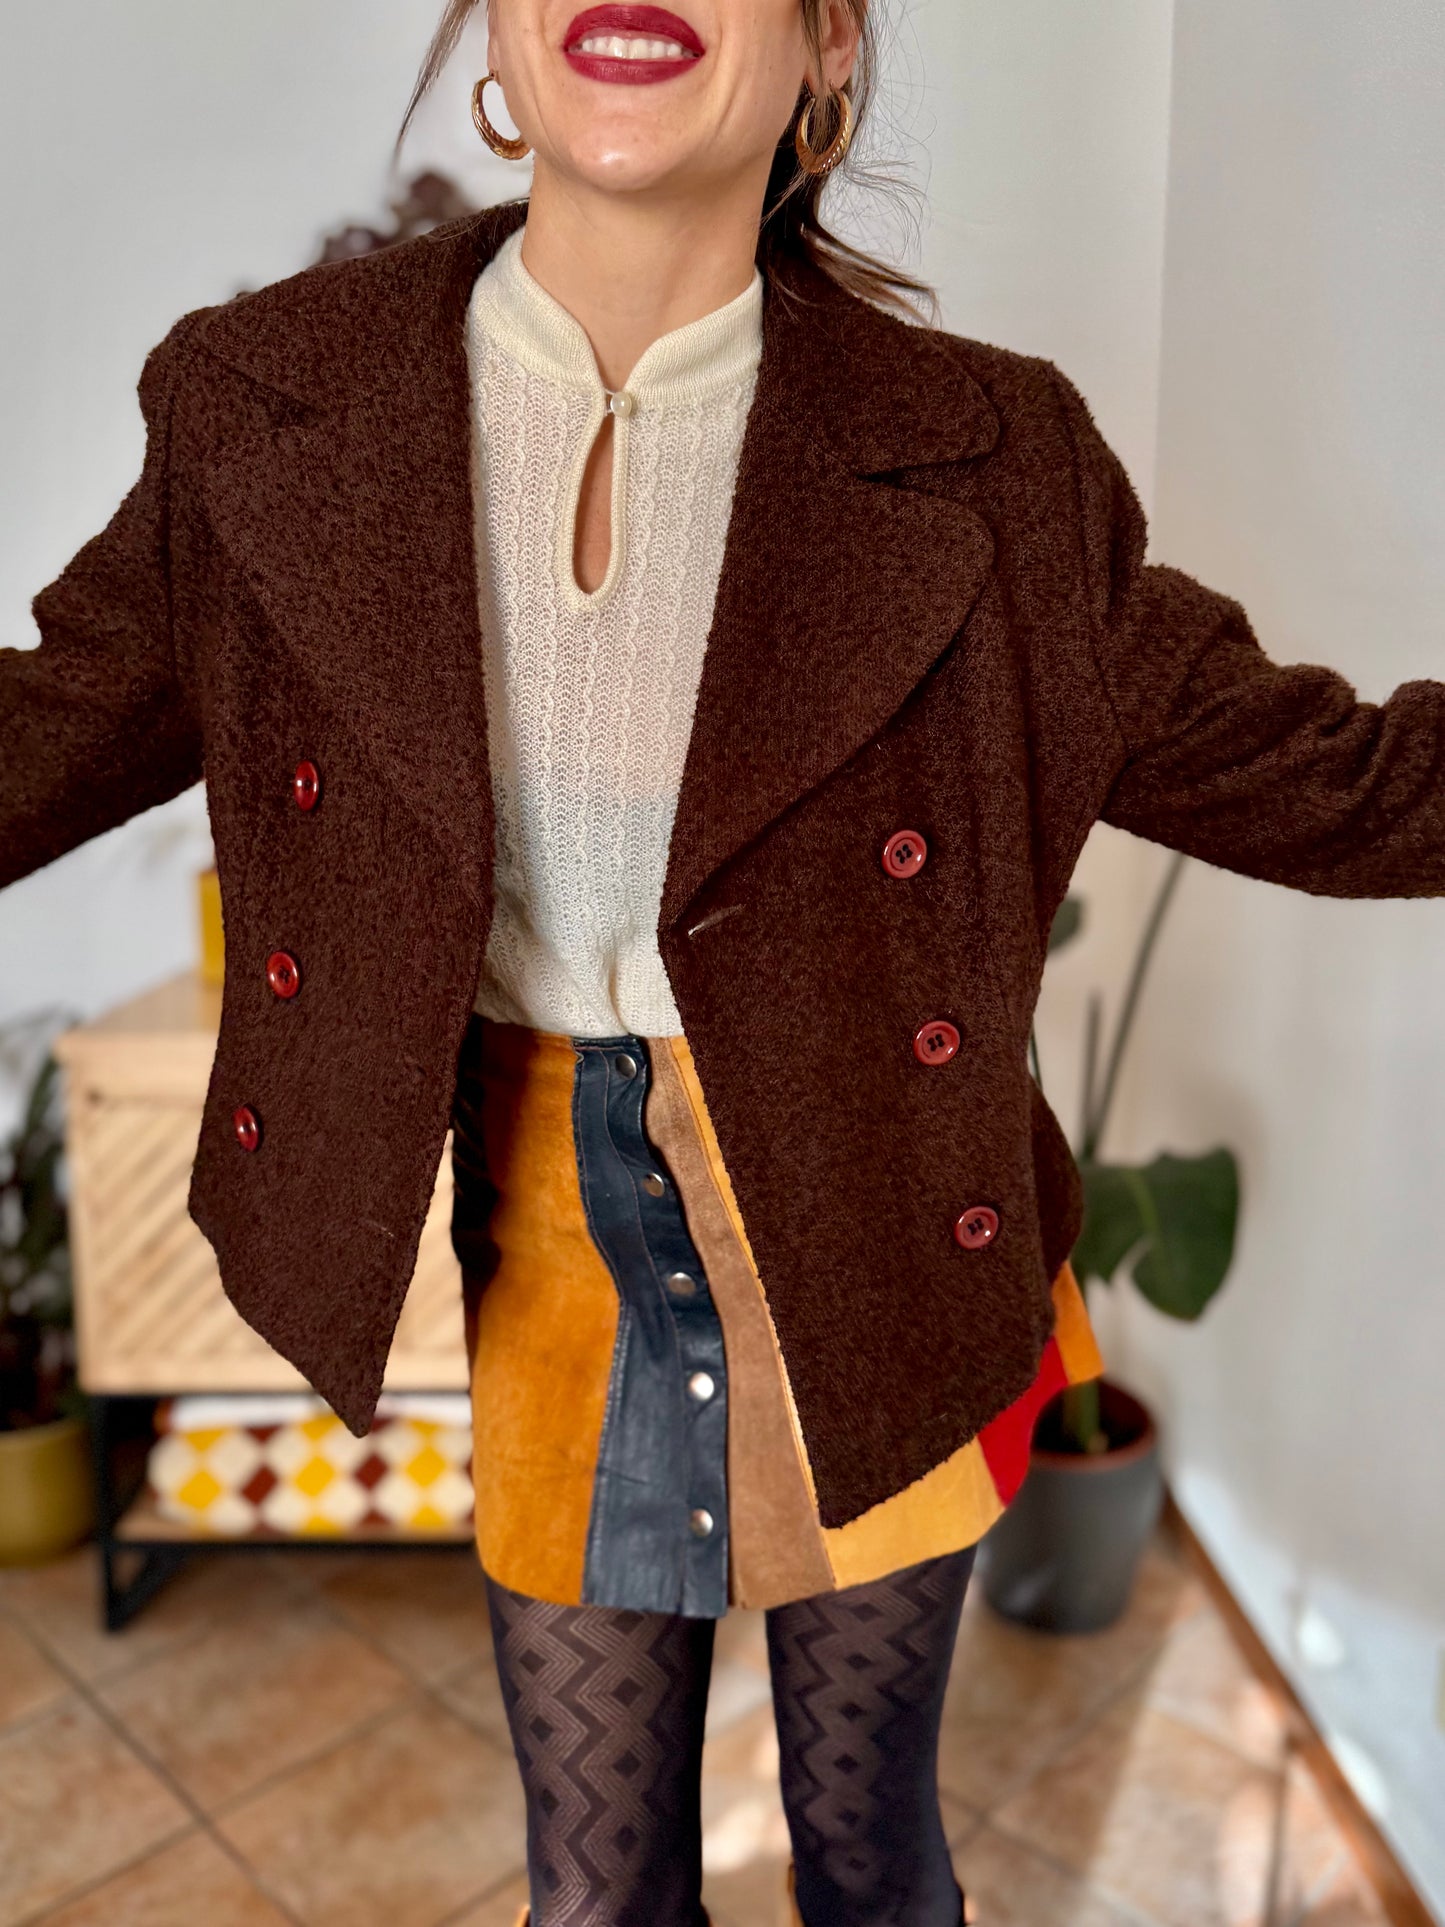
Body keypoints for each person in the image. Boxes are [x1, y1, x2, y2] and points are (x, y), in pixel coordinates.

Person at [4, 2, 1444, 1923]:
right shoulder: (266, 406)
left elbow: (1343, 780)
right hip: (548, 1244)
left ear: (828, 44)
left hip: (872, 1225)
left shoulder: (993, 461)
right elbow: (45, 726)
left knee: (865, 1855)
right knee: (597, 1892)